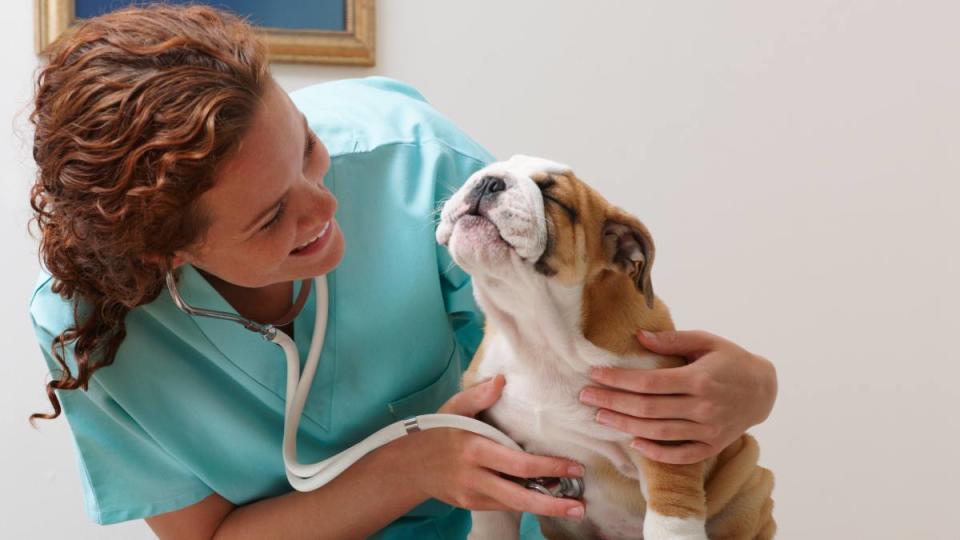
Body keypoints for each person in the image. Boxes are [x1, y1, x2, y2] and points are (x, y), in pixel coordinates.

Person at [26, 5, 777, 540]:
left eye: (309, 151)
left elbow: (594, 352)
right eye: (268, 219)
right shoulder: (90, 331)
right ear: (166, 255)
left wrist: (752, 388)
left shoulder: (415, 164)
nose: (323, 205)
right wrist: (408, 470)